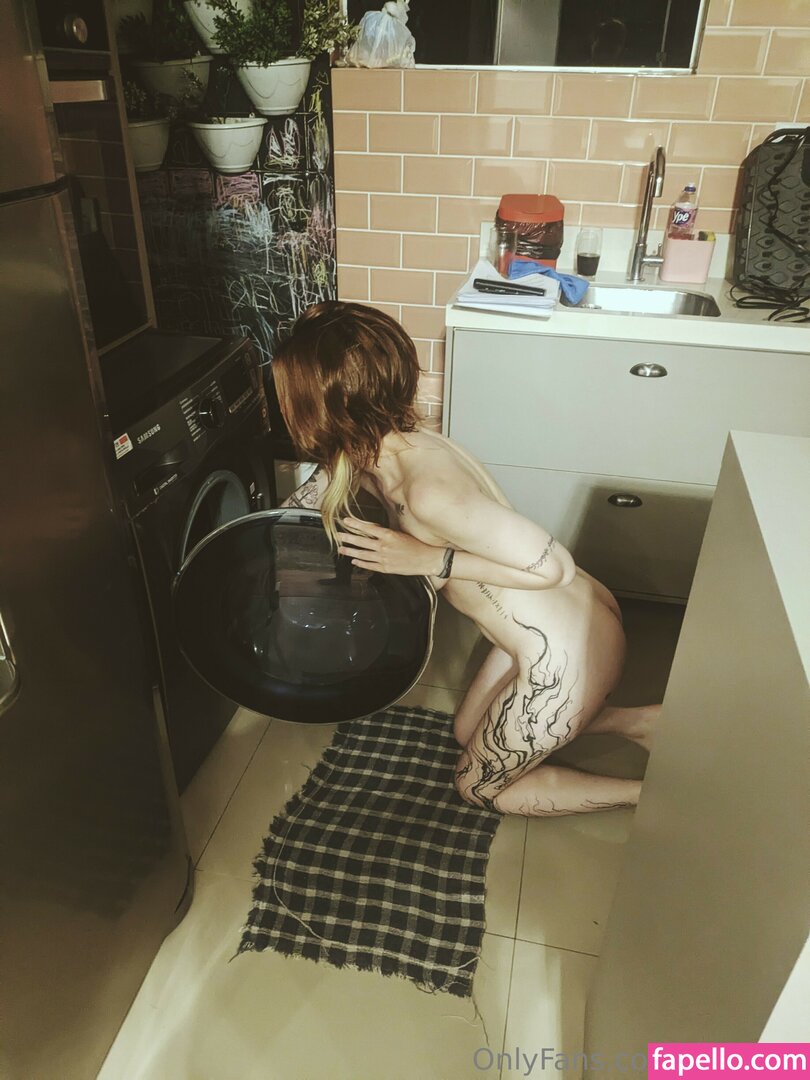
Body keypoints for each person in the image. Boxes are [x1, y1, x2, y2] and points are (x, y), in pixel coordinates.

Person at [272, 301, 660, 817]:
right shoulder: (392, 447)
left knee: (478, 788)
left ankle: (658, 797)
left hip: (565, 652)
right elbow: (314, 495)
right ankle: (640, 723)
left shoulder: (427, 492)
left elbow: (554, 566)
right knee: (465, 732)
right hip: (559, 621)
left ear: (321, 409)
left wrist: (432, 560)